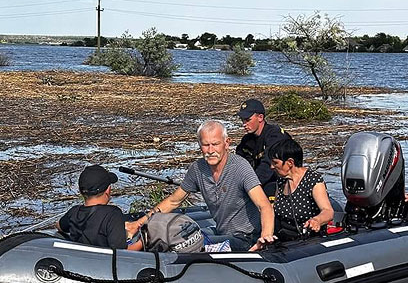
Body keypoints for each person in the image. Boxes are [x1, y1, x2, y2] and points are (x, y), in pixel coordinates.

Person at [126, 120, 275, 251]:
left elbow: (264, 206)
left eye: (215, 144)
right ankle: (130, 252)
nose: (210, 151)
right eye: (205, 145)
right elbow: (173, 201)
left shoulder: (240, 167)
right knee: (176, 234)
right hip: (221, 231)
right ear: (199, 145)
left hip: (245, 237)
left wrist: (265, 236)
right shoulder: (198, 169)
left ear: (226, 143)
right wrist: (138, 224)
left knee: (188, 244)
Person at [57, 165, 142, 251]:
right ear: (108, 191)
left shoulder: (73, 212)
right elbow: (122, 253)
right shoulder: (113, 214)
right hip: (106, 261)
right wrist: (142, 242)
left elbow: (59, 226)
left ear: (80, 191)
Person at [268, 138, 334, 241]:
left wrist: (317, 220)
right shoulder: (281, 181)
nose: (271, 167)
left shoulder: (313, 180)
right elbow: (273, 209)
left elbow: (328, 211)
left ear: (290, 162)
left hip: (309, 240)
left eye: (275, 163)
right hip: (284, 239)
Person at [235, 99, 293, 198]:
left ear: (260, 117)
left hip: (281, 181)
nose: (244, 124)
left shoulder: (275, 135)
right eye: (242, 120)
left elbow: (267, 166)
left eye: (248, 120)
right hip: (260, 181)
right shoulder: (246, 141)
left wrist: (250, 186)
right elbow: (239, 163)